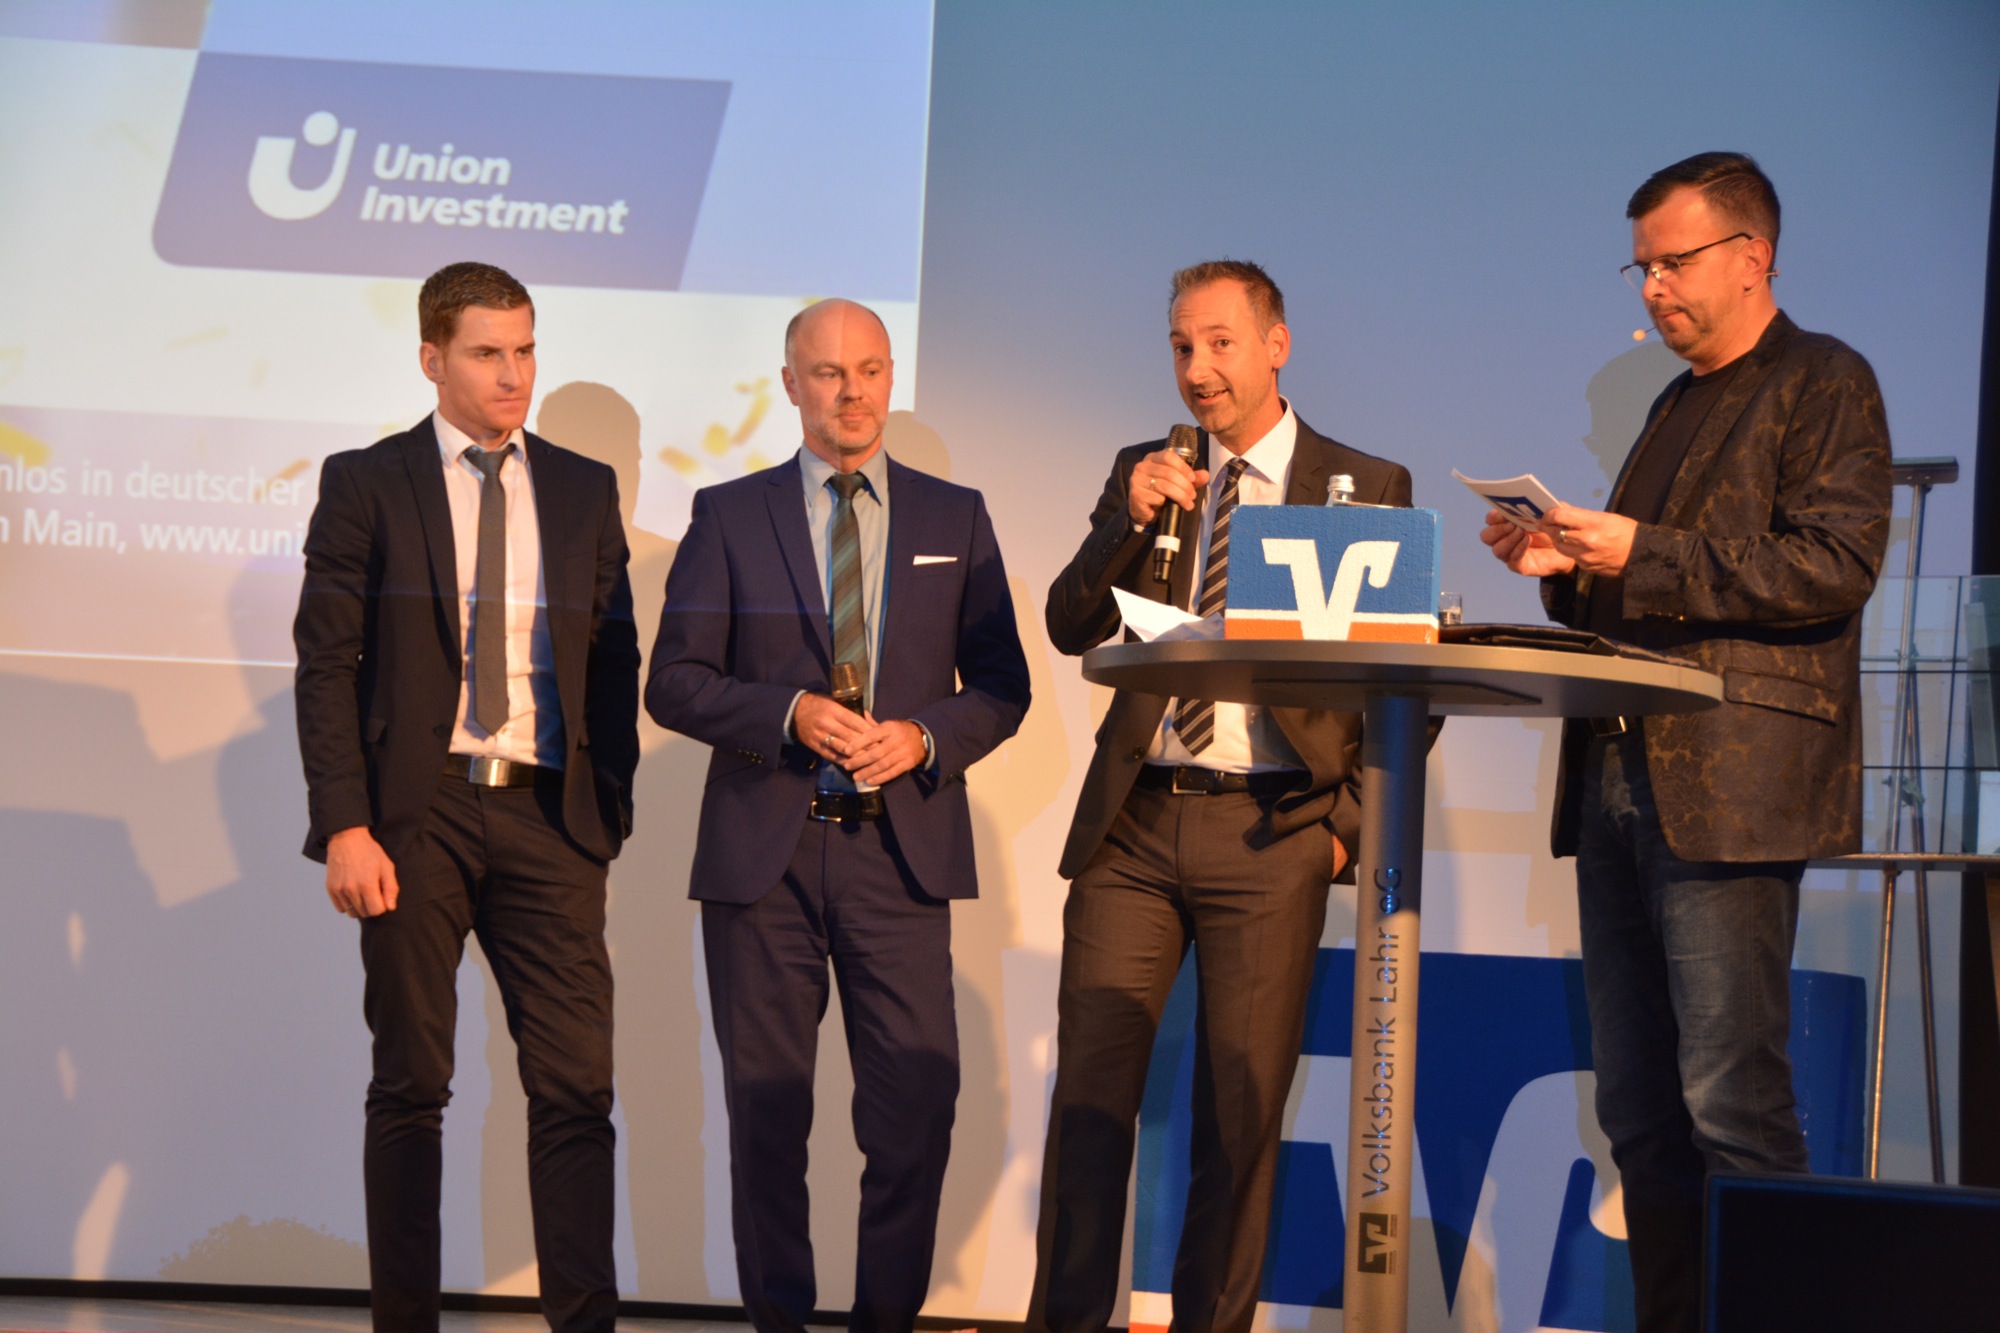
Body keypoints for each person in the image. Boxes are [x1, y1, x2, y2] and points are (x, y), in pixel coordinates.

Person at [1480, 152, 1891, 1332]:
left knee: (1731, 1106)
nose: (1653, 287)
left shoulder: (1821, 379)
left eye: (1672, 262)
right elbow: (1657, 589)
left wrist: (1637, 551)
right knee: (1638, 1112)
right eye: (1641, 268)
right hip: (1618, 774)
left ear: (1750, 256)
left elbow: (1831, 565)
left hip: (1730, 787)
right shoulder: (1672, 403)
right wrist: (1564, 569)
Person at [1031, 260, 1414, 1333]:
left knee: (1238, 1123)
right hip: (1136, 824)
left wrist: (1341, 832)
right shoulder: (1148, 469)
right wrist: (1126, 517)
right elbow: (1069, 623)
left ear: (1275, 345)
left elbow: (1403, 683)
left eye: (1219, 343)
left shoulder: (1362, 483)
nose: (1197, 370)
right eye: (1180, 347)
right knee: (1089, 1105)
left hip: (1272, 829)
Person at [647, 298, 1030, 1333]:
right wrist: (787, 713)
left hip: (898, 857)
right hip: (763, 863)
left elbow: (1003, 684)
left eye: (868, 369)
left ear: (890, 376)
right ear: (790, 384)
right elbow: (673, 681)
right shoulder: (729, 514)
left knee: (915, 1112)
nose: (851, 391)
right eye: (827, 372)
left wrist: (923, 737)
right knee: (766, 1118)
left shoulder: (956, 516)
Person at [293, 262, 640, 1333]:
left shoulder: (582, 487)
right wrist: (345, 823)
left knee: (576, 1089)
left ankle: (582, 1323)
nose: (513, 374)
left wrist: (606, 807)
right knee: (411, 1085)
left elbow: (612, 657)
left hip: (550, 814)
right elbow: (326, 664)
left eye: (525, 350)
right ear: (432, 359)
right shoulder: (367, 481)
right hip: (417, 815)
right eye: (488, 353)